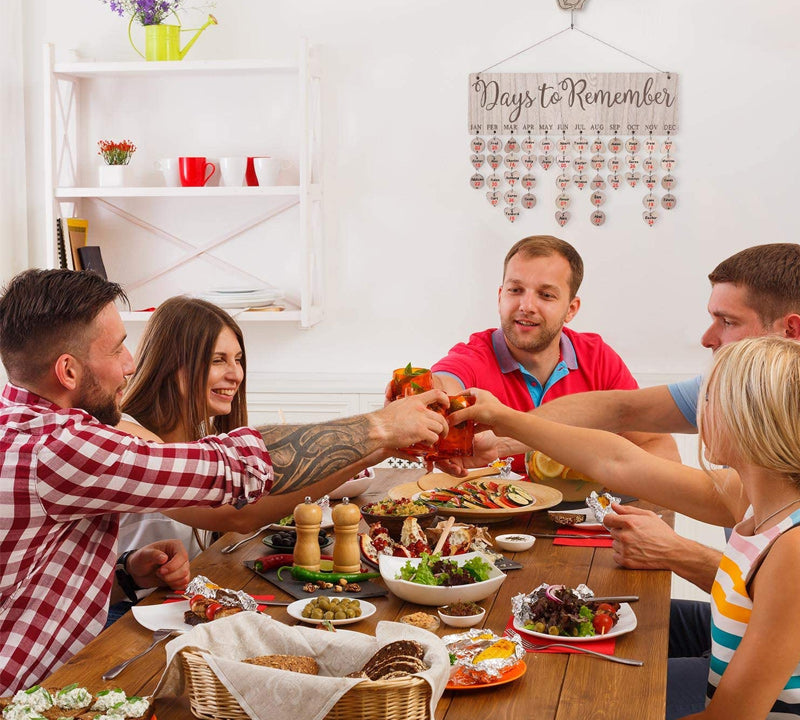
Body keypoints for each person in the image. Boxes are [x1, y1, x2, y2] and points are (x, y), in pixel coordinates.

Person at [0, 268, 450, 695]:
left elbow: (36, 578)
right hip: (29, 693)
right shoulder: (61, 448)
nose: (130, 363)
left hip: (70, 667)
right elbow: (236, 476)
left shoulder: (24, 428)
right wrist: (381, 428)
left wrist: (124, 572)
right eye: (117, 348)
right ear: (68, 371)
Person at [463, 242, 800, 718]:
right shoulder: (756, 493)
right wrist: (507, 423)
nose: (695, 409)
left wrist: (677, 552)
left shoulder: (790, 546)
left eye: (712, 397)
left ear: (754, 413)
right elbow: (618, 459)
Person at [116, 297, 374, 559]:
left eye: (237, 360)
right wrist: (378, 439)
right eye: (218, 360)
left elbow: (255, 502)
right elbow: (240, 515)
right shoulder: (128, 437)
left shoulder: (201, 436)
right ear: (170, 365)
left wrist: (376, 448)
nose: (236, 374)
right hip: (139, 600)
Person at [430, 235, 678, 472]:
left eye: (546, 295)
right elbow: (442, 386)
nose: (526, 306)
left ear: (571, 309)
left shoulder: (598, 359)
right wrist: (428, 398)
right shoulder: (475, 356)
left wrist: (607, 485)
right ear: (499, 297)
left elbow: (661, 449)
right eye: (515, 290)